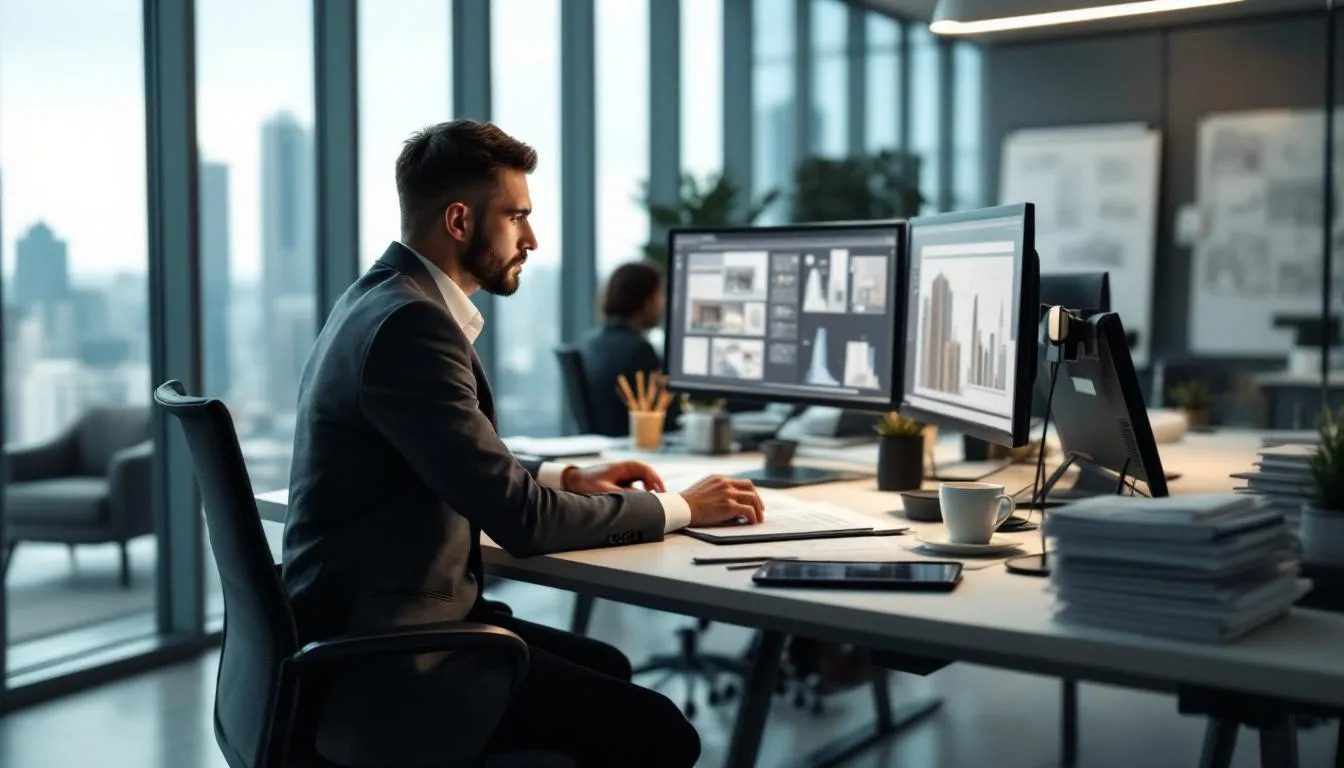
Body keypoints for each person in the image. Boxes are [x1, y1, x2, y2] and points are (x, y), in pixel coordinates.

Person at [282, 119, 765, 768]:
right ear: (459, 221)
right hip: (396, 664)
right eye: (516, 217)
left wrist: (565, 477)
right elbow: (523, 522)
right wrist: (683, 507)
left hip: (370, 626)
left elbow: (452, 457)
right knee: (661, 733)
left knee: (605, 665)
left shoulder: (378, 298)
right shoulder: (412, 326)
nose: (532, 239)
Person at [578, 261, 680, 436]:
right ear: (646, 302)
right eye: (659, 295)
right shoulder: (639, 349)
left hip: (606, 445)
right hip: (638, 444)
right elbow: (667, 418)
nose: (663, 303)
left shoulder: (591, 342)